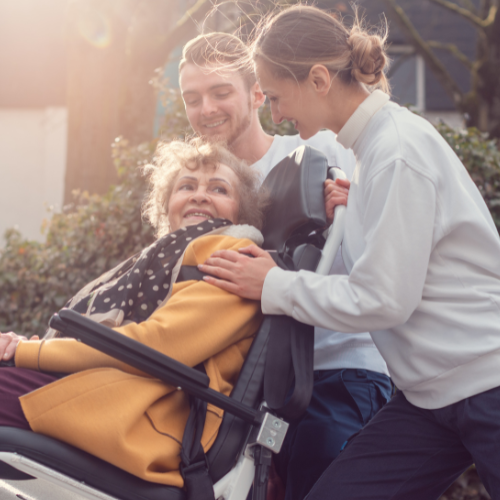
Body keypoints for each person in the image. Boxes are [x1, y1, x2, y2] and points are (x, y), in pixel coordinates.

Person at [198, 5, 500, 500]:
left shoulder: (397, 150)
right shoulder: (369, 153)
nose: (275, 116)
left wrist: (271, 284)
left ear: (318, 79)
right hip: (428, 399)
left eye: (275, 97)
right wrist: (355, 207)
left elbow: (384, 300)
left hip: (487, 383)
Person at [179, 32, 392, 500]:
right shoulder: (202, 187)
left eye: (220, 92)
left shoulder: (320, 153)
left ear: (259, 94)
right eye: (192, 98)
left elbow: (387, 256)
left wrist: (359, 209)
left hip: (337, 371)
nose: (206, 109)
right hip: (256, 392)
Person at [0, 138, 266, 488]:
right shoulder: (161, 259)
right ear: (167, 205)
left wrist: (29, 353)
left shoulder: (233, 255)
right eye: (187, 186)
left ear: (240, 212)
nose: (200, 195)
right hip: (113, 393)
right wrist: (24, 351)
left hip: (149, 417)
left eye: (219, 188)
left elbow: (156, 343)